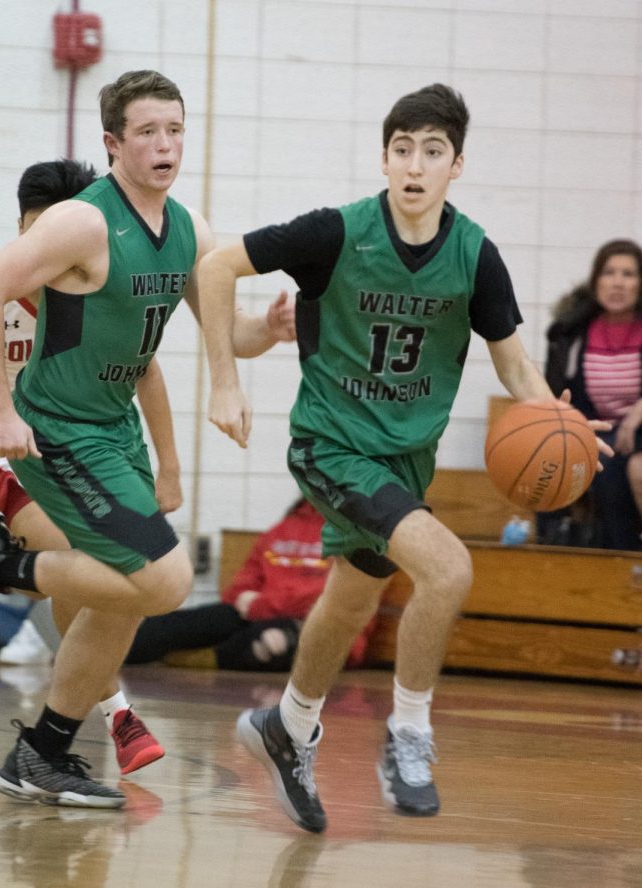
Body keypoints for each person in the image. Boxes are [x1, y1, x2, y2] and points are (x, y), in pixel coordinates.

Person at [197, 83, 613, 833]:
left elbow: (516, 368)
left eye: (431, 151)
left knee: (349, 599)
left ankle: (286, 730)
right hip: (331, 442)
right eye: (401, 148)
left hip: (404, 460)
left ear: (456, 165)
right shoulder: (333, 233)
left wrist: (559, 417)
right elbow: (217, 268)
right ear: (383, 157)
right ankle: (410, 734)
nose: (413, 164)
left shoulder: (474, 254)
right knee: (448, 568)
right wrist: (225, 383)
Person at [0, 70, 294, 809]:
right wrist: (1, 410)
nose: (165, 144)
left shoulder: (190, 231)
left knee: (122, 602)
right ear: (113, 143)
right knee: (166, 580)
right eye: (147, 131)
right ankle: (3, 569)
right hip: (60, 431)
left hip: (114, 433)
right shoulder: (80, 221)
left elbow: (222, 330)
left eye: (174, 129)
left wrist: (264, 333)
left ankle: (39, 754)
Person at [0, 158, 174, 772]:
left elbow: (148, 373)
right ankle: (116, 715)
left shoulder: (95, 291)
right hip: (6, 451)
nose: (48, 248)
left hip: (81, 447)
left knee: (117, 581)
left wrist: (170, 467)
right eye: (35, 231)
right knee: (100, 567)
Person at [125, 498, 373, 670]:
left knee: (270, 641)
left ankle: (204, 658)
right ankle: (114, 650)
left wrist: (263, 604)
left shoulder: (357, 534)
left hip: (316, 629)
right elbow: (239, 590)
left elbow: (333, 598)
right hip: (257, 614)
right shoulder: (284, 528)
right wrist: (255, 603)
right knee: (196, 621)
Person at [541, 239, 642, 551]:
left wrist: (636, 415)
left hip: (638, 430)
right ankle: (559, 553)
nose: (617, 282)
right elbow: (558, 395)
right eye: (609, 272)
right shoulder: (571, 332)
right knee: (554, 460)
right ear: (595, 280)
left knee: (635, 468)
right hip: (594, 429)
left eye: (628, 274)